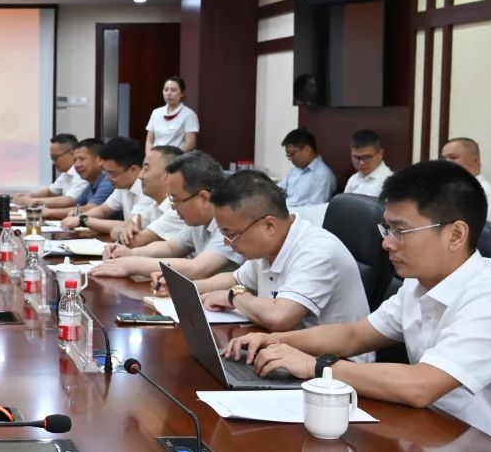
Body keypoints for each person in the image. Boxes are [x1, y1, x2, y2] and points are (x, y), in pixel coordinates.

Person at [226, 160, 491, 452]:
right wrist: (276, 340)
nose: (387, 244)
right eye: (386, 230)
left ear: (455, 234)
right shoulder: (418, 285)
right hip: (447, 448)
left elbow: (421, 385)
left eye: (400, 231)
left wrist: (314, 366)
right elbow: (355, 335)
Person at [195, 170, 372, 343]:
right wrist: (191, 289)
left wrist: (234, 296)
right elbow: (235, 279)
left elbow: (280, 317)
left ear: (269, 225)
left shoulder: (317, 251)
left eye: (232, 234)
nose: (227, 243)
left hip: (333, 359)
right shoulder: (269, 246)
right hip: (287, 346)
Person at [92, 151, 241, 289]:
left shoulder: (231, 222)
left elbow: (198, 269)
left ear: (203, 198)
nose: (174, 207)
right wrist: (129, 253)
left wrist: (130, 265)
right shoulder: (198, 220)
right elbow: (171, 247)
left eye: (176, 200)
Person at [60, 137, 150, 238]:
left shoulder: (148, 190)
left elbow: (129, 226)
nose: (108, 178)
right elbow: (103, 210)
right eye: (106, 172)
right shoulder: (123, 186)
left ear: (133, 169)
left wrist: (83, 220)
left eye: (112, 173)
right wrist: (79, 217)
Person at [116, 145, 183, 248]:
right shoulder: (154, 207)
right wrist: (124, 232)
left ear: (168, 175)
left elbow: (134, 241)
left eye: (146, 169)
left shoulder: (177, 209)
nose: (140, 176)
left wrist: (127, 233)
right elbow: (115, 230)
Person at [35, 138, 114, 219]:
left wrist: (50, 212)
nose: (76, 165)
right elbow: (75, 205)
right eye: (75, 160)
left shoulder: (108, 181)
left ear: (99, 160)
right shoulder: (91, 184)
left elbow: (90, 209)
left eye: (82, 159)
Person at [440, 137, 491, 223]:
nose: (446, 162)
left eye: (453, 157)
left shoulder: (487, 194)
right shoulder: (446, 190)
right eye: (443, 159)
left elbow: (483, 229)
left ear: (475, 160)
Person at [11, 134, 85, 205]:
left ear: (72, 153)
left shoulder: (82, 174)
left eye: (55, 157)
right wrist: (28, 196)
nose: (53, 162)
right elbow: (50, 192)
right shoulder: (66, 174)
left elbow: (69, 200)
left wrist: (31, 201)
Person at [276, 128, 336, 207]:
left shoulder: (323, 175)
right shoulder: (295, 170)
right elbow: (277, 190)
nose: (290, 159)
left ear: (307, 150)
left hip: (299, 213)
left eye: (292, 154)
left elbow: (314, 207)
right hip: (283, 210)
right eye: (288, 155)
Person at [144, 75, 199, 151]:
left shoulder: (189, 114)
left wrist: (172, 156)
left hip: (176, 156)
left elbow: (190, 144)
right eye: (166, 90)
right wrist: (149, 155)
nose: (168, 93)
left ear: (182, 93)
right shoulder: (156, 112)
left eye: (173, 90)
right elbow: (149, 140)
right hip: (155, 156)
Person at [344, 129, 393, 198]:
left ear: (380, 154)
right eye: (356, 157)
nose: (361, 163)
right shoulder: (353, 179)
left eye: (367, 157)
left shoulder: (390, 183)